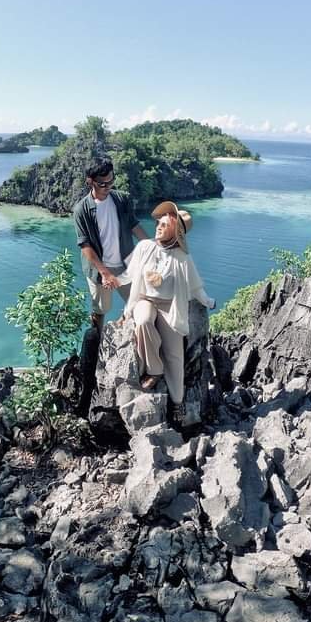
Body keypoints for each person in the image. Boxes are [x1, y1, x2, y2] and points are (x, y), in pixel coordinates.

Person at [119, 200, 214, 426]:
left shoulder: (182, 258)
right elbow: (133, 281)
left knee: (175, 356)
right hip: (146, 300)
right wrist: (126, 310)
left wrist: (208, 301)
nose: (159, 227)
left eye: (165, 225)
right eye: (159, 223)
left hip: (169, 306)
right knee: (142, 321)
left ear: (176, 231)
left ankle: (178, 401)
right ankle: (154, 369)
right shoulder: (145, 247)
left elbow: (195, 287)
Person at [73, 156, 149, 414]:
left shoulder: (121, 199)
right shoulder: (82, 209)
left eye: (111, 181)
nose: (108, 187)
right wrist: (104, 272)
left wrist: (149, 248)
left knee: (140, 306)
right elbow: (85, 246)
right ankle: (93, 367)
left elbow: (135, 225)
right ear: (90, 182)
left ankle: (142, 362)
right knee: (98, 317)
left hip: (127, 265)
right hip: (99, 272)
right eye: (103, 183)